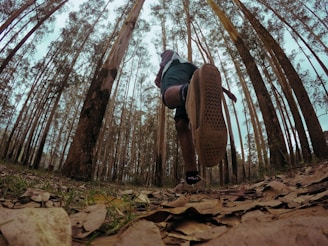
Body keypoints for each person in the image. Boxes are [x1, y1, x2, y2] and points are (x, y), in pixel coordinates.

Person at [154, 50, 236, 187]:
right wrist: (225, 91)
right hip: (192, 73)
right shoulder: (186, 63)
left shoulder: (169, 56)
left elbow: (163, 66)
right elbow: (205, 80)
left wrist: (158, 77)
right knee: (181, 123)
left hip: (177, 70)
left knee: (168, 98)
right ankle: (192, 176)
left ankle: (188, 92)